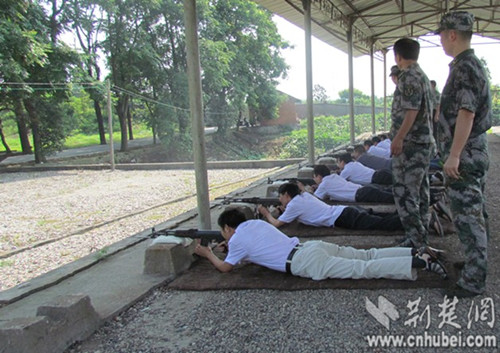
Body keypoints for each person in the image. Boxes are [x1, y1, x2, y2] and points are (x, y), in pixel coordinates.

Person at [194, 208, 448, 280]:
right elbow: (259, 248)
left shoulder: (236, 239)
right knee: (367, 255)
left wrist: (207, 254)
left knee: (363, 270)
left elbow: (226, 268)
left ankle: (418, 262)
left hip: (304, 262)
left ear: (228, 229)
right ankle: (413, 251)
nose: (224, 236)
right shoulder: (259, 225)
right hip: (310, 247)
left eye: (223, 232)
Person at [435, 11, 491, 298]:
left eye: (442, 35)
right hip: (473, 150)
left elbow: (466, 112)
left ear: (452, 34)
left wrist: (454, 154)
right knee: (475, 213)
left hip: (466, 154)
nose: (442, 40)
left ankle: (473, 280)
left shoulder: (465, 68)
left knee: (467, 216)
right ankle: (474, 265)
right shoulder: (468, 65)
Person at [390, 37, 435, 248]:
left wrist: (398, 138)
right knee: (420, 191)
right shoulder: (422, 76)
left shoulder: (408, 77)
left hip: (411, 145)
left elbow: (411, 111)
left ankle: (416, 241)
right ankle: (420, 235)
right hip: (422, 143)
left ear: (398, 56)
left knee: (404, 191)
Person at [258, 182, 403, 231]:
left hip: (343, 217)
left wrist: (266, 214)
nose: (279, 199)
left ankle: (410, 222)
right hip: (344, 211)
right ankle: (406, 215)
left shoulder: (294, 205)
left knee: (380, 224)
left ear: (287, 195)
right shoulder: (304, 196)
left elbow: (277, 223)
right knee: (379, 218)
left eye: (280, 196)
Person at [311, 164, 394, 203]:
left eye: (314, 177)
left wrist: (307, 191)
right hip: (364, 189)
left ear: (318, 176)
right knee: (393, 194)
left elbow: (315, 200)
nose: (314, 179)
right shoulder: (334, 176)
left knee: (393, 198)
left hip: (361, 194)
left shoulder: (324, 185)